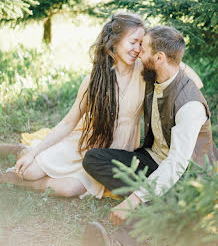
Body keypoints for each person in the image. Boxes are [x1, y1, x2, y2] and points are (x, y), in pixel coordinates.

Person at [0, 16, 203, 198]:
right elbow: (69, 121)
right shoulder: (95, 80)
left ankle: (12, 178)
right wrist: (36, 153)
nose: (138, 49)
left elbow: (183, 73)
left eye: (141, 44)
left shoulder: (145, 72)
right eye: (133, 42)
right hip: (86, 142)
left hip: (116, 151)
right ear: (114, 42)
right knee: (29, 171)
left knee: (68, 189)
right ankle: (28, 150)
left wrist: (192, 100)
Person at [82, 25, 217, 246]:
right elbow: (172, 61)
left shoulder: (190, 105)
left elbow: (177, 164)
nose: (138, 53)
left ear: (159, 57)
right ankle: (153, 198)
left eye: (143, 49)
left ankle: (118, 242)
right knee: (94, 159)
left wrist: (133, 200)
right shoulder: (152, 75)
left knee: (158, 197)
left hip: (187, 177)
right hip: (152, 159)